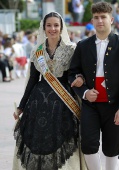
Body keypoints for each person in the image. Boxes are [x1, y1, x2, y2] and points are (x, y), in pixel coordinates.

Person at [12, 12, 87, 170]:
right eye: (49, 25)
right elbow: (33, 80)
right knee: (39, 140)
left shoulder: (71, 49)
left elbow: (76, 73)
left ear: (61, 28)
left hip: (64, 102)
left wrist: (80, 78)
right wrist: (21, 106)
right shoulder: (37, 51)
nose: (52, 28)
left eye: (56, 25)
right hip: (38, 102)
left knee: (64, 138)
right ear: (43, 28)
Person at [68, 2, 119, 170]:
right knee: (89, 145)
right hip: (90, 105)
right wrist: (84, 92)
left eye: (103, 17)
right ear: (92, 20)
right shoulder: (83, 45)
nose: (100, 21)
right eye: (96, 17)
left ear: (111, 19)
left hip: (114, 105)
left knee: (112, 147)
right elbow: (72, 73)